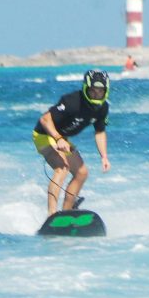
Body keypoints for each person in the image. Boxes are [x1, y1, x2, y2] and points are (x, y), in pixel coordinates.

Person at [32, 69, 111, 215]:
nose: (96, 94)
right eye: (93, 91)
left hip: (62, 139)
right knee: (62, 168)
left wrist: (104, 156)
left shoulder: (103, 108)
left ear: (105, 91)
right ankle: (51, 214)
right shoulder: (72, 101)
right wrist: (58, 138)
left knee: (82, 173)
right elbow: (45, 119)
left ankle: (67, 213)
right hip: (44, 135)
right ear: (86, 88)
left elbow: (100, 132)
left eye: (100, 91)